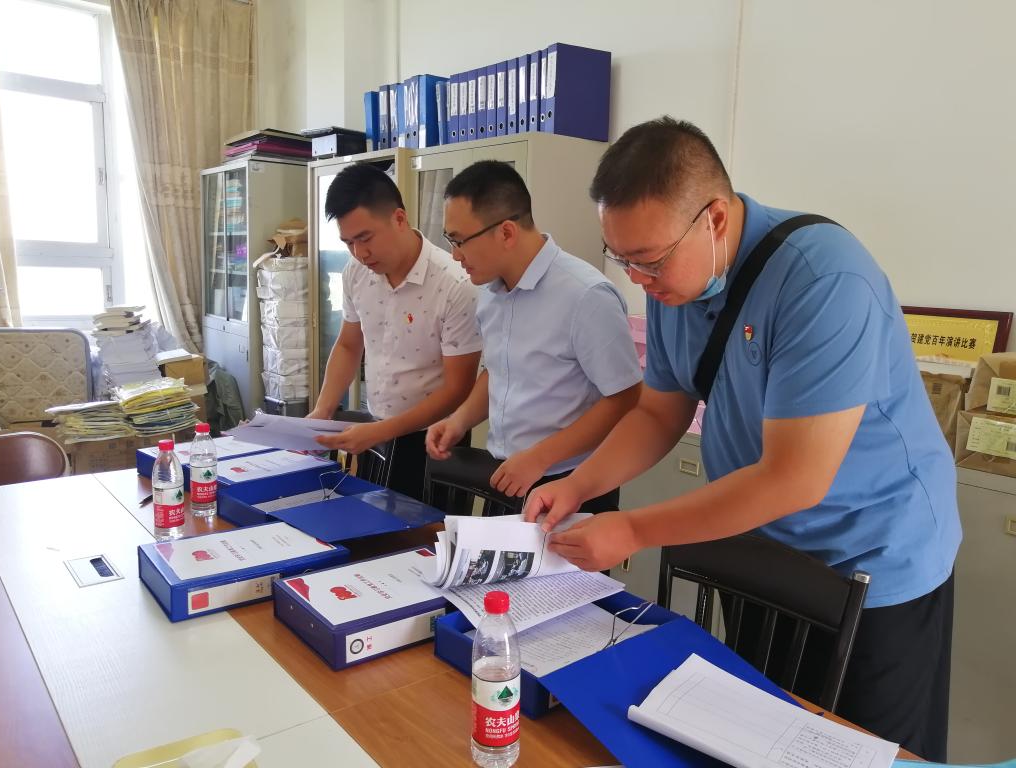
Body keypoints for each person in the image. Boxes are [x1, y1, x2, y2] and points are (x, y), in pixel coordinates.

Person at [523, 117, 961, 760]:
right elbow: (657, 414)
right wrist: (578, 485)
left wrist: (635, 530)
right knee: (759, 732)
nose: (638, 280)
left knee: (860, 749)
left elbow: (794, 478)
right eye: (622, 260)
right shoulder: (673, 285)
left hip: (871, 558)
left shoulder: (824, 281)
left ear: (716, 219)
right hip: (761, 544)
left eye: (649, 260)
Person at [426, 160, 642, 512]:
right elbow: (499, 370)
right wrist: (459, 420)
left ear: (506, 233)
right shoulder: (490, 292)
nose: (455, 254)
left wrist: (540, 458)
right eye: (450, 240)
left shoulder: (586, 296)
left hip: (571, 482)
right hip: (508, 473)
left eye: (460, 240)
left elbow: (625, 398)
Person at [308, 163, 482, 501]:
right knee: (372, 523)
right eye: (348, 243)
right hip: (376, 428)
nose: (360, 253)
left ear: (399, 219)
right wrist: (323, 409)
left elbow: (458, 388)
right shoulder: (355, 273)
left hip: (436, 438)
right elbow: (348, 345)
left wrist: (380, 432)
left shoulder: (455, 284)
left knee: (427, 531)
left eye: (365, 238)